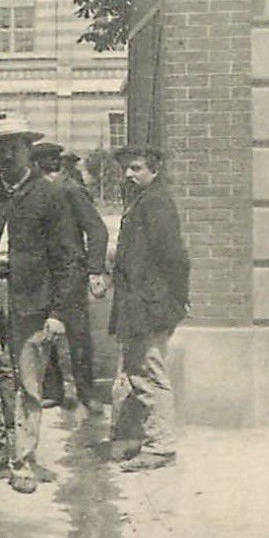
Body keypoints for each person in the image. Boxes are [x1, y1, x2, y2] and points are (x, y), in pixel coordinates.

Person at [0, 115, 80, 494]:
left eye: (14, 146)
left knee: (28, 383)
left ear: (28, 149)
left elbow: (68, 260)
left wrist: (60, 313)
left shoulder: (51, 196)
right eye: (0, 148)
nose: (7, 154)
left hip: (31, 298)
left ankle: (24, 463)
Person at [109, 145, 189, 472]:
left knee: (150, 373)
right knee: (137, 371)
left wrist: (168, 301)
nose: (129, 174)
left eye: (137, 168)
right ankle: (144, 438)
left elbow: (174, 258)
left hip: (149, 304)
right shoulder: (142, 201)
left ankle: (161, 446)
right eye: (126, 168)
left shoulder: (156, 202)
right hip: (137, 303)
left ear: (154, 171)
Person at [34, 141, 111, 411]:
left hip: (72, 270)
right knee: (46, 329)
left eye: (51, 166)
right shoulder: (33, 191)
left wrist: (95, 269)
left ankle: (87, 392)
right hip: (43, 271)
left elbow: (97, 230)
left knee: (77, 332)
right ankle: (53, 389)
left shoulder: (71, 190)